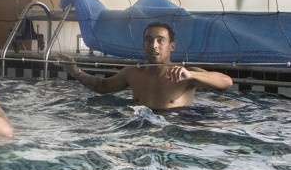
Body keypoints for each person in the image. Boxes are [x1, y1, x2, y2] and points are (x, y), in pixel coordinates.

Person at [57, 22, 233, 110]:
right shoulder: (133, 73)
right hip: (141, 124)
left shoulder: (186, 73)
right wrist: (75, 71)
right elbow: (102, 87)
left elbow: (226, 82)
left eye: (160, 41)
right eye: (149, 40)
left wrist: (193, 76)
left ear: (172, 46)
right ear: (143, 45)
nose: (154, 45)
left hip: (177, 125)